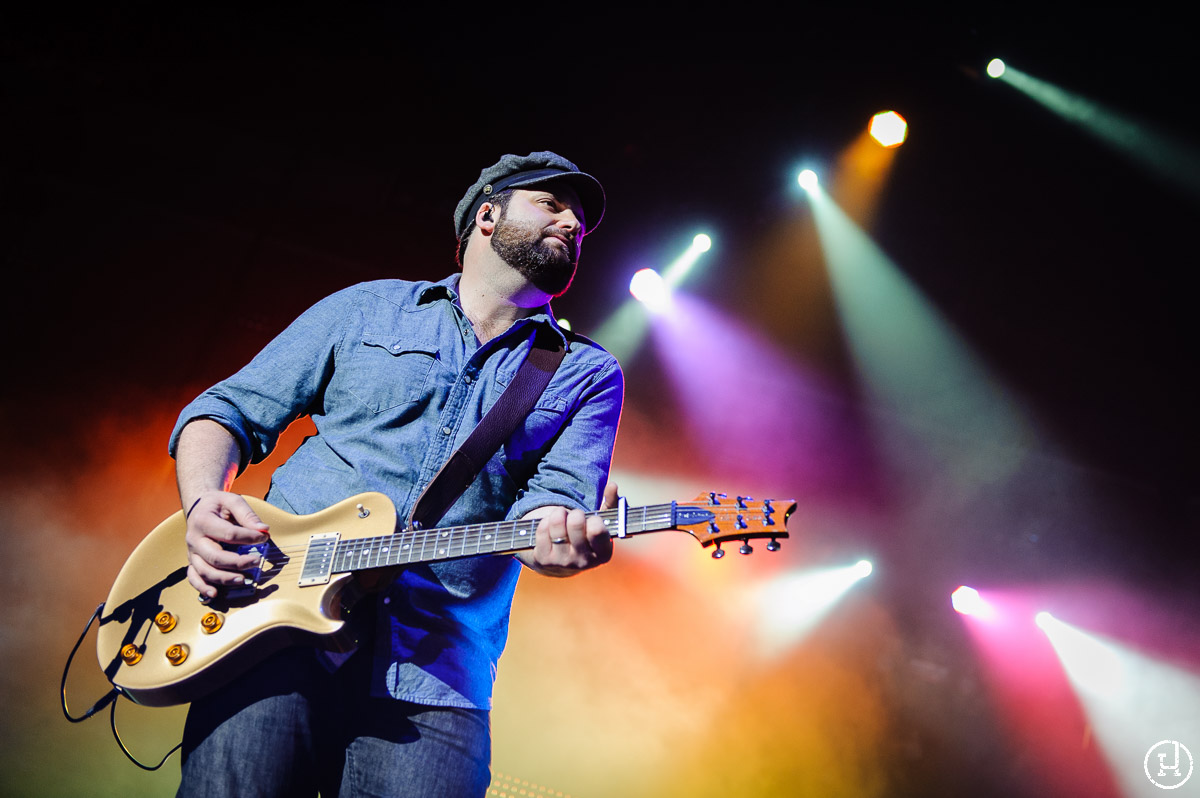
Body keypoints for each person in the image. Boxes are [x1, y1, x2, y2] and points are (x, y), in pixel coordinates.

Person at [169, 151, 624, 797]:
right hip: (270, 631)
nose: (574, 221)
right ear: (487, 215)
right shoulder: (369, 310)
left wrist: (561, 538)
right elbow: (226, 411)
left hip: (437, 674)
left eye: (581, 216)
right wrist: (203, 505)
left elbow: (549, 511)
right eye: (552, 203)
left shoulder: (587, 372)